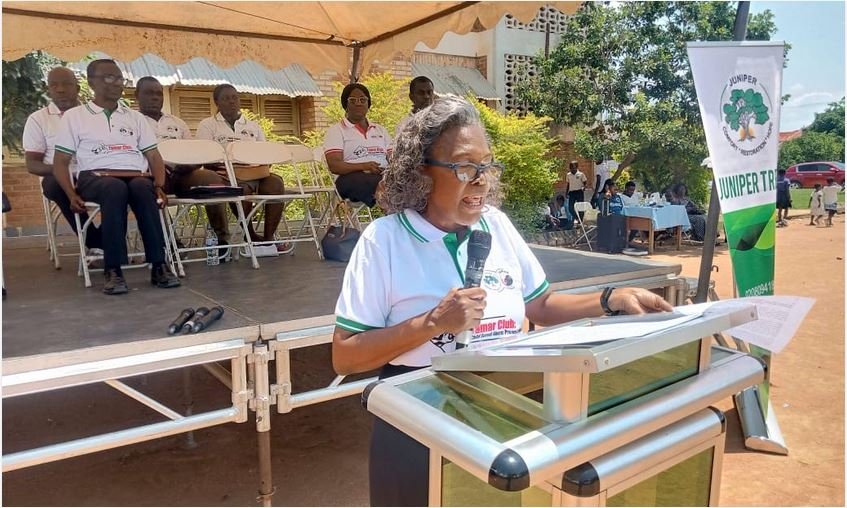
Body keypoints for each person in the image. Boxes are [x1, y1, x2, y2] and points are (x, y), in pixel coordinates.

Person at [331, 96, 673, 507]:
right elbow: (345, 356)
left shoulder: (496, 225)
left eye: (487, 166)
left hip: (505, 412)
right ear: (421, 171)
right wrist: (433, 323)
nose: (480, 181)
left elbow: (540, 305)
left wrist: (610, 298)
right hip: (419, 418)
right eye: (464, 167)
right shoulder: (385, 240)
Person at [52, 59, 180, 294]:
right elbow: (60, 162)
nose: (117, 83)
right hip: (95, 177)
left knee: (144, 188)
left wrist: (159, 185)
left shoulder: (134, 117)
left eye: (120, 78)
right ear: (91, 82)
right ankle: (113, 269)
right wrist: (71, 194)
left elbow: (153, 156)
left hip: (134, 174)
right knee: (114, 188)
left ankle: (159, 265)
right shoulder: (75, 117)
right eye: (109, 77)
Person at [136, 76, 231, 251]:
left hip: (181, 174)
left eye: (158, 93)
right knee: (145, 189)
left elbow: (194, 152)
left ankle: (222, 241)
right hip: (150, 176)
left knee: (211, 179)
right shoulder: (133, 122)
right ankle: (171, 244)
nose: (155, 97)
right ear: (137, 96)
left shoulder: (177, 123)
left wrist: (188, 166)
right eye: (149, 93)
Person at [196, 84, 290, 252]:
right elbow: (205, 155)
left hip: (254, 172)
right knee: (240, 189)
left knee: (276, 183)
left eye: (235, 97)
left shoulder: (252, 126)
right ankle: (250, 235)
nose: (231, 101)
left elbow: (265, 152)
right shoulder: (208, 125)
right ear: (217, 102)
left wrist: (255, 164)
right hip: (224, 174)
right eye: (226, 98)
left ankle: (268, 240)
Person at [23, 66, 102, 252]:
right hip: (58, 178)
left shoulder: (94, 115)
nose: (60, 89)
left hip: (94, 175)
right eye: (54, 85)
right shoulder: (38, 119)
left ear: (77, 88)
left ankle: (107, 241)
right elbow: (32, 164)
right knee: (55, 184)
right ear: (48, 89)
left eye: (66, 84)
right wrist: (61, 171)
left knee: (123, 186)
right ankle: (96, 244)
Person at [324, 83, 392, 208]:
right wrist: (364, 166)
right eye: (353, 100)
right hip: (349, 179)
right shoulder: (336, 130)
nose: (358, 103)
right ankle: (392, 214)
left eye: (362, 100)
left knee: (407, 180)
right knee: (382, 183)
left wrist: (391, 170)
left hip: (382, 175)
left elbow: (393, 158)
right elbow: (334, 165)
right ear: (345, 105)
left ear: (368, 104)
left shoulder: (380, 130)